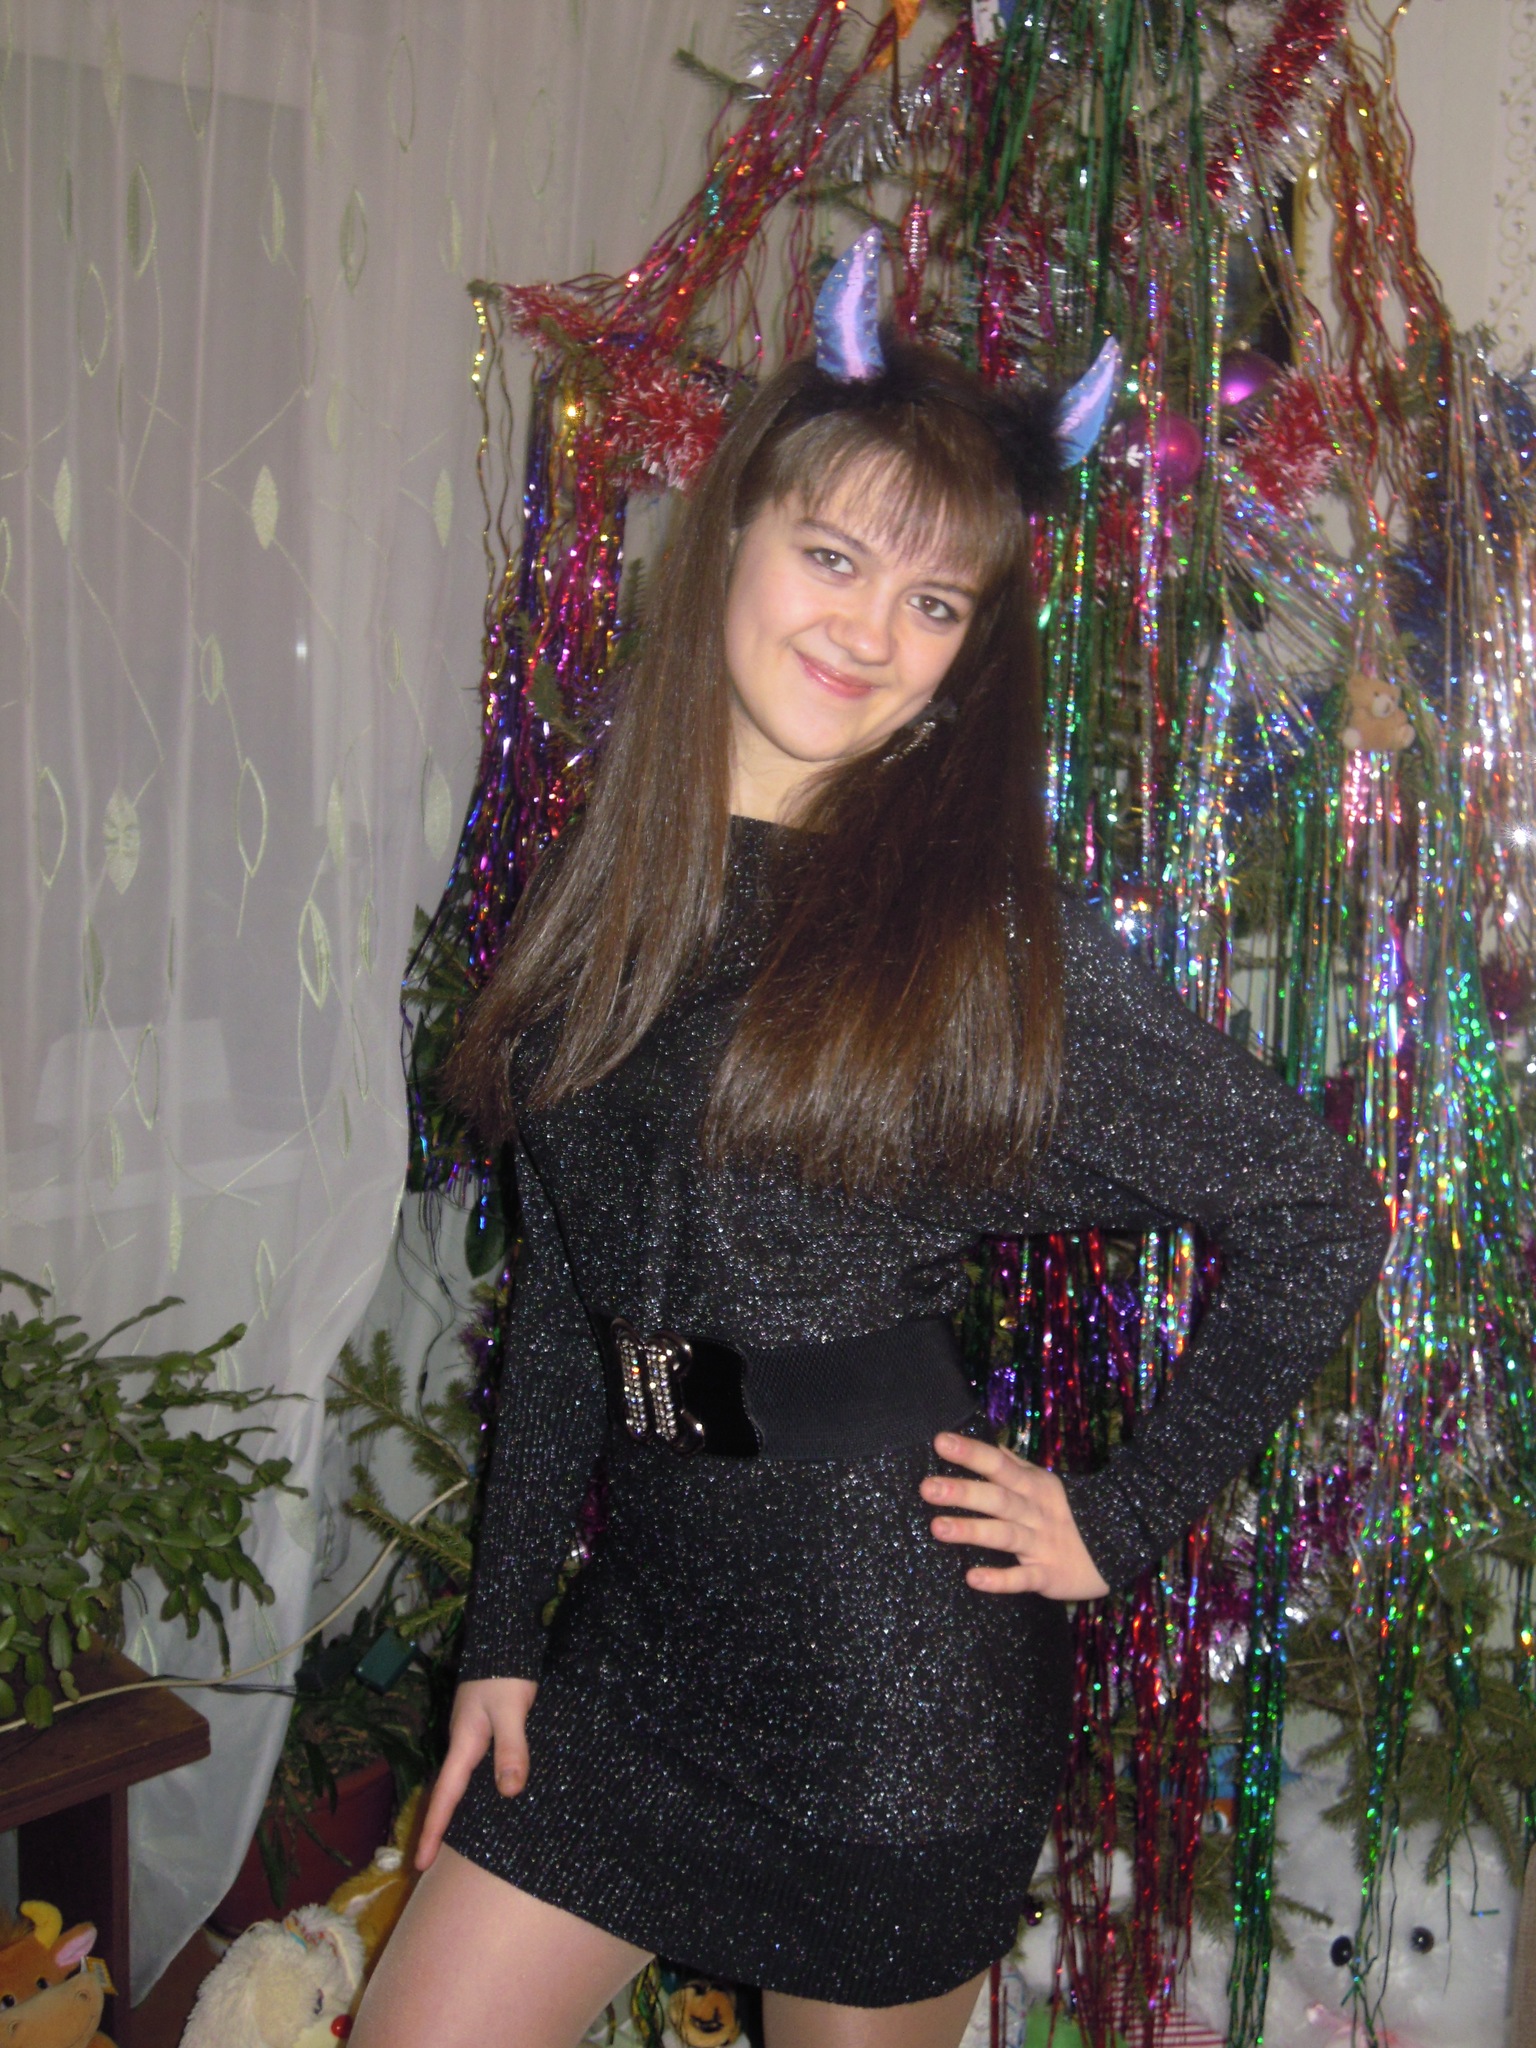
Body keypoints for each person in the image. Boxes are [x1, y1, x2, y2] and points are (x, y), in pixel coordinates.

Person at [351, 319, 1387, 2048]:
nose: (869, 628)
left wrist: (1121, 1520)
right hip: (637, 1649)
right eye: (834, 556)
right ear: (731, 539)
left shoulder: (977, 944)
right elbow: (567, 1305)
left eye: (935, 601)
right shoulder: (608, 880)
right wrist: (502, 1636)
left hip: (888, 1682)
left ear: (969, 655)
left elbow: (1318, 1212)